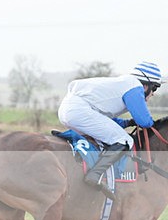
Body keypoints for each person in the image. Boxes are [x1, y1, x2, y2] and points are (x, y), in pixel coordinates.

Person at [57, 61, 162, 198]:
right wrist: (150, 123)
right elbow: (145, 121)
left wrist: (127, 122)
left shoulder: (125, 84)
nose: (153, 93)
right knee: (124, 140)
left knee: (108, 139)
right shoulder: (135, 86)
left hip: (70, 109)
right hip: (79, 110)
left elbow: (105, 120)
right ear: (145, 85)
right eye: (154, 88)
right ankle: (94, 175)